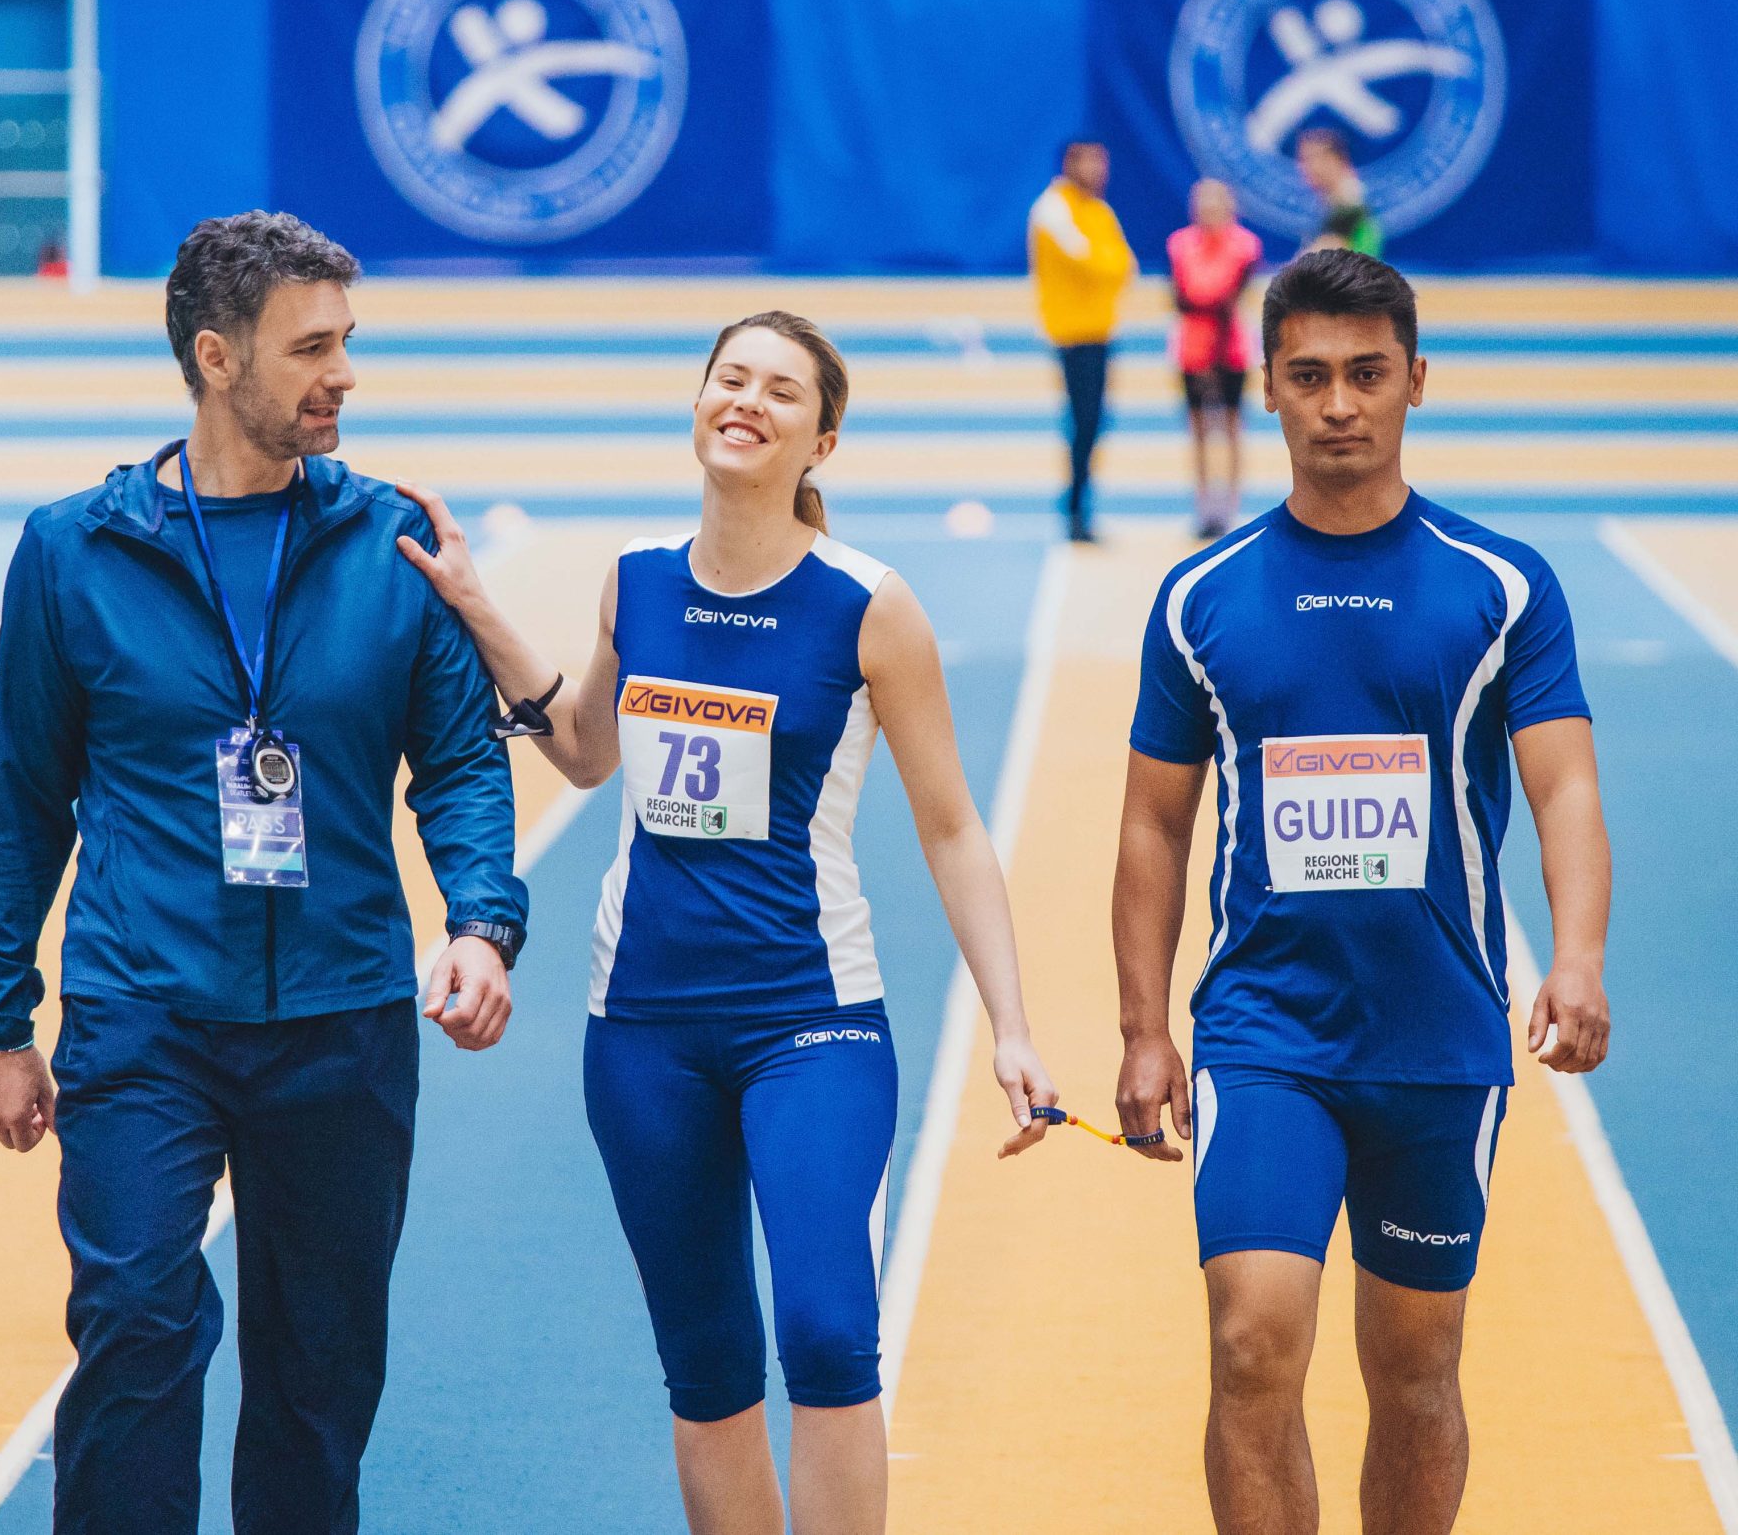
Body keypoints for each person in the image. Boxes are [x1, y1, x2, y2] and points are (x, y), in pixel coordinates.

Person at [394, 310, 1060, 1535]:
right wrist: (478, 604)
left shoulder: (868, 606)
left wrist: (1010, 1026)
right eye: (729, 379)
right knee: (704, 1364)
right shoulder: (636, 578)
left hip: (811, 1020)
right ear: (698, 401)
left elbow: (954, 828)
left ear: (822, 442)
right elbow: (585, 750)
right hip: (641, 1030)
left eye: (780, 391)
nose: (746, 401)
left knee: (827, 1330)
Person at [0, 211, 527, 1535]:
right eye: (311, 348)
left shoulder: (393, 544)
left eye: (347, 342)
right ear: (215, 358)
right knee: (135, 1324)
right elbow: (27, 801)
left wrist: (482, 921)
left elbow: (459, 762)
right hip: (142, 1010)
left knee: (319, 1371)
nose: (345, 376)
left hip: (341, 1017)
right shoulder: (75, 550)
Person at [1114, 250, 1611, 1535]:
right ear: (1266, 388)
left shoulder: (1501, 583)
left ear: (1415, 382)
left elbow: (1562, 785)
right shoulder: (1200, 596)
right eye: (1309, 376)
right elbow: (1154, 822)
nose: (1338, 404)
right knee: (1251, 1342)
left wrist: (1577, 955)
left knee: (1414, 1373)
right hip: (1263, 1034)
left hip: (1436, 1039)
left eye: (1367, 375)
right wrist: (1142, 1027)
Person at [1028, 139, 1135, 544]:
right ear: (1070, 163)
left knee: (1093, 422)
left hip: (1100, 329)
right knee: (1084, 421)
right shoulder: (1053, 209)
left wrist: (1109, 266)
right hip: (1073, 333)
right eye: (1091, 162)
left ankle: (1080, 505)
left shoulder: (1099, 210)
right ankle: (1075, 510)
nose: (1099, 171)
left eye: (1102, 162)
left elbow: (1124, 265)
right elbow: (1095, 263)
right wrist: (1108, 266)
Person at [1167, 180, 1264, 540]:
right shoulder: (1180, 245)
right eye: (1202, 205)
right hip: (1192, 350)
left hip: (1231, 349)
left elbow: (1229, 298)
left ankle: (1231, 507)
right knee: (1199, 430)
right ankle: (1204, 506)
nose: (1209, 212)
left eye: (1216, 204)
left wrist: (1205, 307)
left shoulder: (1245, 246)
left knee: (1233, 427)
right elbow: (1180, 297)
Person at [1295, 128, 1382, 258]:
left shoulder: (1349, 205)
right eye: (1302, 160)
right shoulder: (1334, 201)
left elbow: (1321, 258)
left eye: (1309, 159)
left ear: (1333, 160)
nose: (1303, 167)